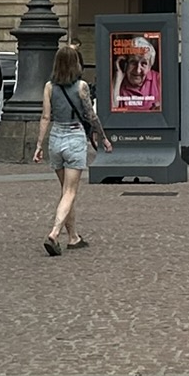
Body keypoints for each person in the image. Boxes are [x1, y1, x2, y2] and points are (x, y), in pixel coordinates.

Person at [33, 44, 111, 255]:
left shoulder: (49, 87)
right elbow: (91, 116)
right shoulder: (81, 87)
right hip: (74, 138)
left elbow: (45, 117)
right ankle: (54, 233)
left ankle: (73, 237)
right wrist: (103, 138)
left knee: (65, 192)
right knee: (70, 192)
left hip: (55, 138)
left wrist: (39, 145)